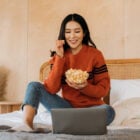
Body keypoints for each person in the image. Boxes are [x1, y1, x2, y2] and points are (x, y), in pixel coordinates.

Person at [14, 13, 115, 131]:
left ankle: (70, 124)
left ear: (84, 33)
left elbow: (103, 90)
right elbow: (52, 89)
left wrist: (84, 86)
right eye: (68, 32)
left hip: (91, 109)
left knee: (109, 112)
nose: (72, 36)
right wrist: (60, 57)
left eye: (77, 31)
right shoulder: (58, 56)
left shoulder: (95, 55)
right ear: (63, 34)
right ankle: (27, 124)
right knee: (33, 86)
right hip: (66, 108)